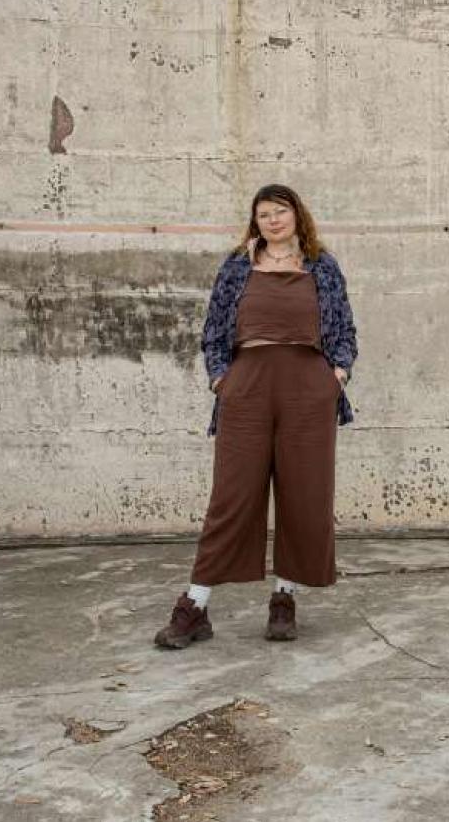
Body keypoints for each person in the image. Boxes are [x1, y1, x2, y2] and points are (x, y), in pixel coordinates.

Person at [154, 184, 358, 648]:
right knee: (232, 495)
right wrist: (220, 380)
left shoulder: (322, 267)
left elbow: (345, 328)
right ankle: (195, 607)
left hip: (309, 388)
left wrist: (337, 377)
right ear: (255, 221)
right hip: (246, 385)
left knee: (304, 495)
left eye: (280, 211)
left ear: (296, 215)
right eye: (263, 213)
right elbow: (213, 330)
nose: (272, 220)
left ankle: (283, 600)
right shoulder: (237, 267)